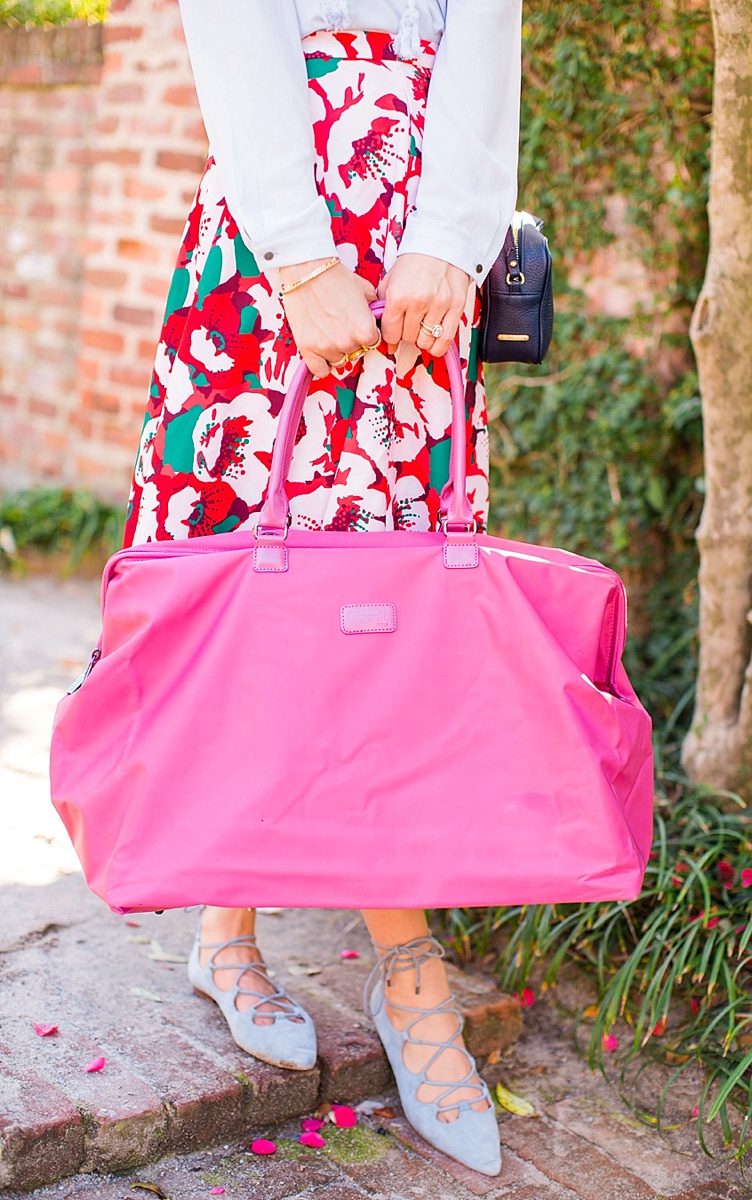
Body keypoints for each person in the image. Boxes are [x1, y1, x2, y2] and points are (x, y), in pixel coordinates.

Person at [120, 0, 521, 1177]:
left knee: (395, 615)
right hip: (276, 243)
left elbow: (485, 42)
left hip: (417, 262)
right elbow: (234, 33)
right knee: (252, 597)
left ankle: (382, 973)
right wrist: (299, 255)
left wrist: (449, 236)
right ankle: (279, 944)